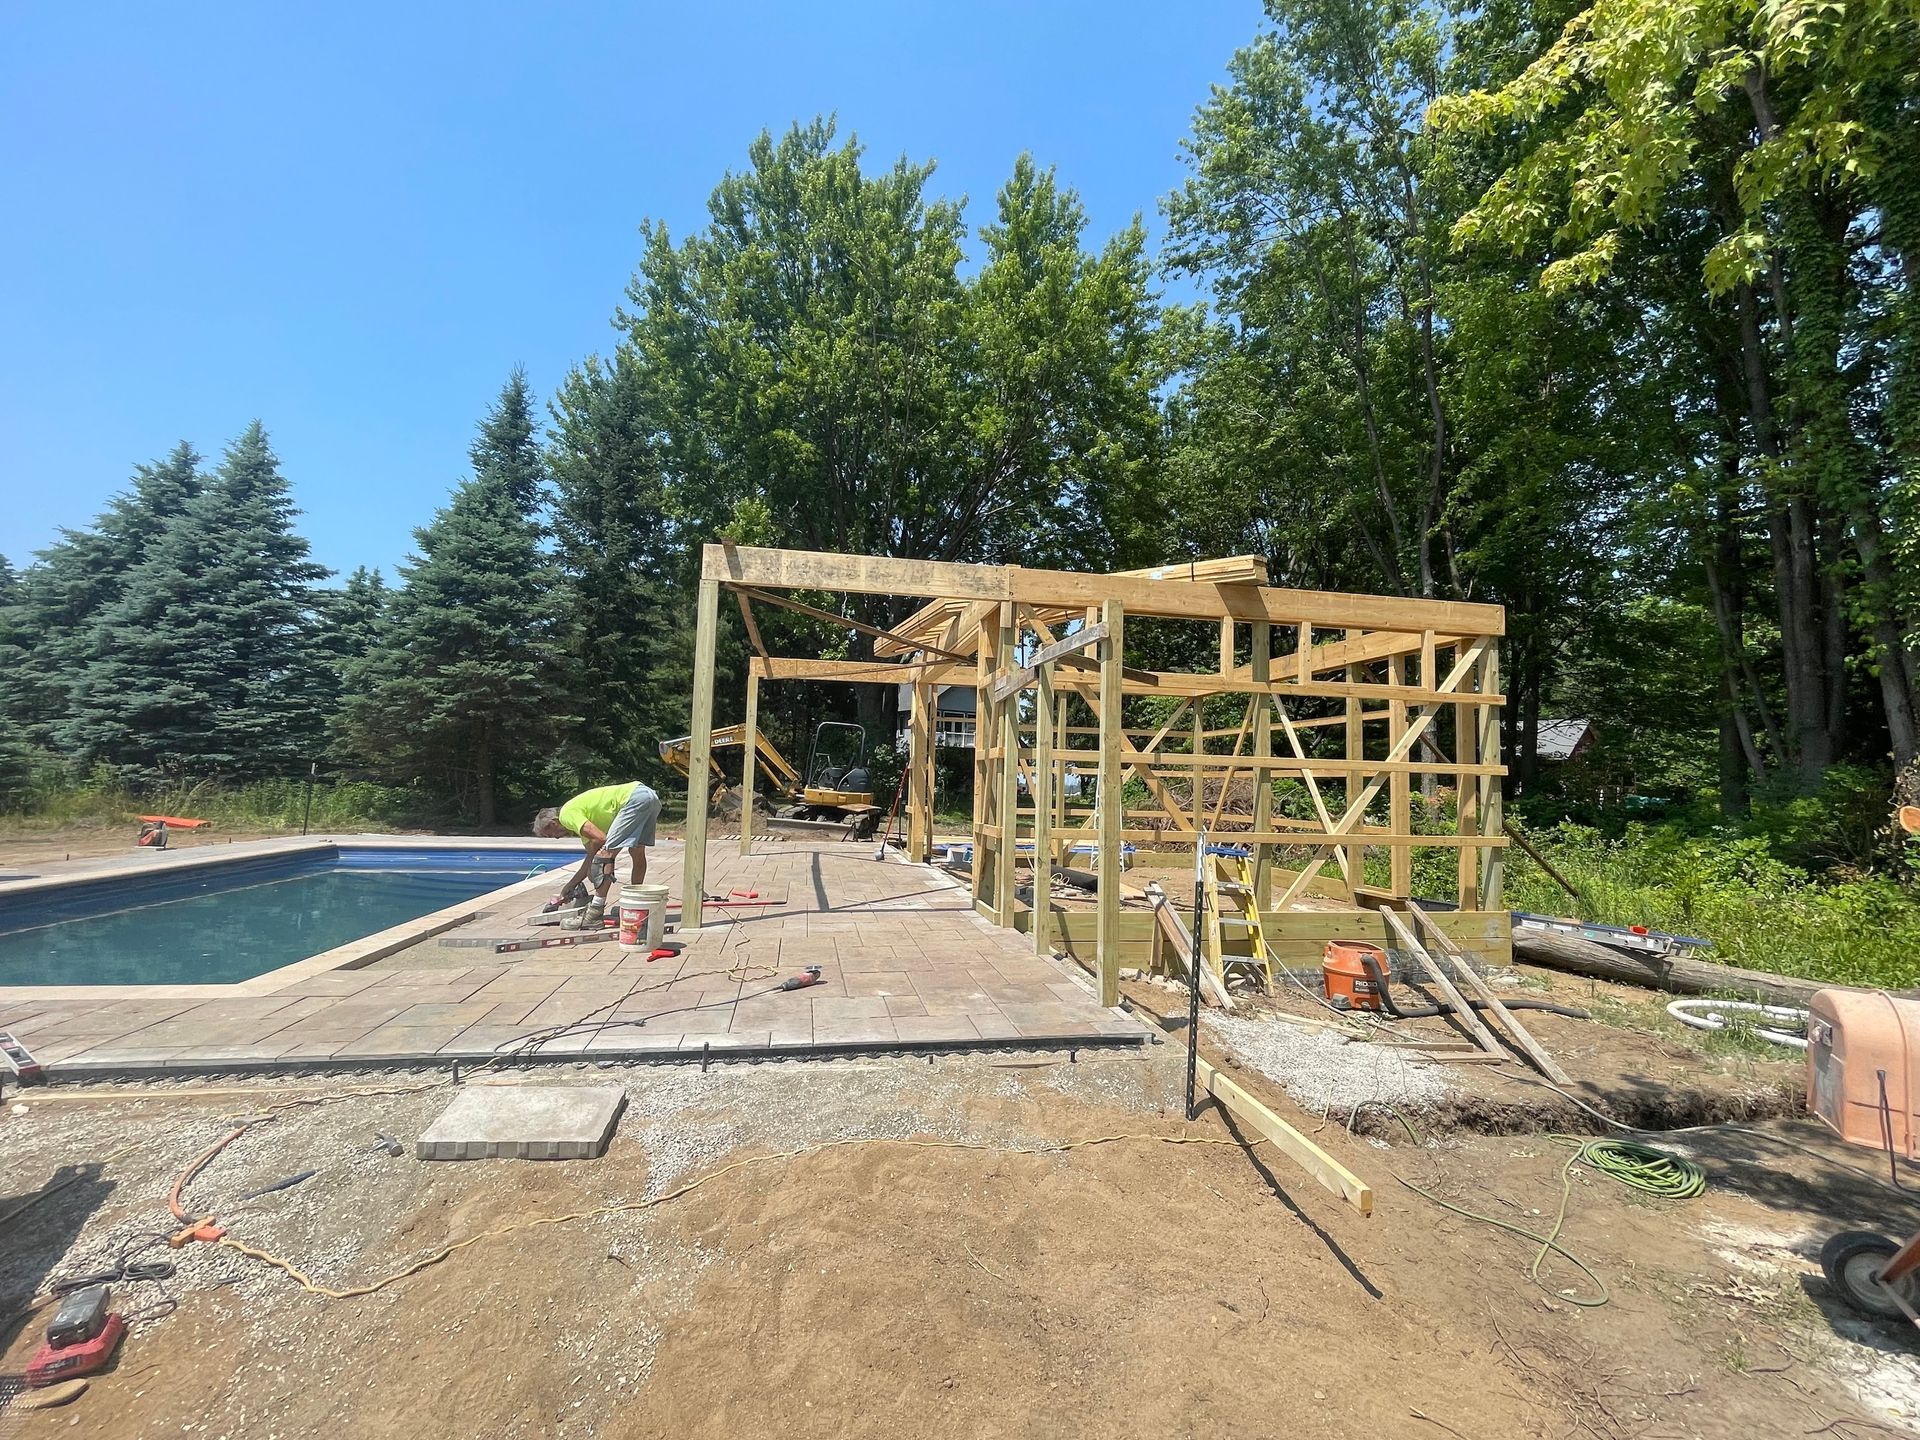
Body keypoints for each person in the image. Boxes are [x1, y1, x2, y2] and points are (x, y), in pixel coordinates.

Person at [532, 781, 662, 930]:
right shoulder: (580, 821)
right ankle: (635, 906)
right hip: (649, 797)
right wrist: (569, 887)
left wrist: (596, 862)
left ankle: (594, 914)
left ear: (553, 823)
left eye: (551, 835)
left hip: (634, 799)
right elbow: (590, 857)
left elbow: (600, 840)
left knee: (603, 857)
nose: (556, 838)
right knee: (637, 852)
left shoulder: (566, 815)